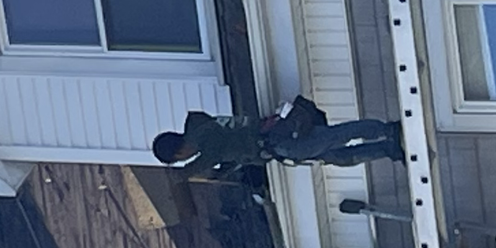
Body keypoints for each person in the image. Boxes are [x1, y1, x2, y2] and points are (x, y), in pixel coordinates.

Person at [151, 99, 406, 176]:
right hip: (275, 142)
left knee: (335, 138)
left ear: (178, 151)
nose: (184, 160)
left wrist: (178, 178)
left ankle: (387, 132)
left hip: (280, 142)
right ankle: (388, 149)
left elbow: (206, 160)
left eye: (179, 160)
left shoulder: (203, 139)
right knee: (338, 156)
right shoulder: (200, 126)